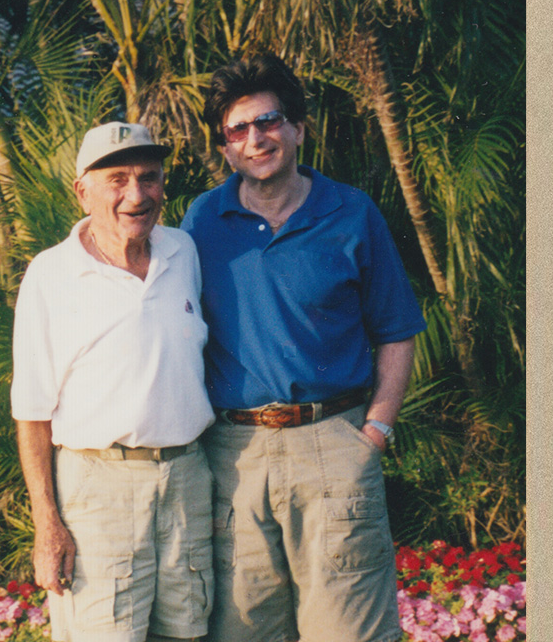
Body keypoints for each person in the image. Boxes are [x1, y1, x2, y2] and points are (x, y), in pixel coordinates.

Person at [180, 55, 425, 642]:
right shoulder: (202, 221)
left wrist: (374, 435)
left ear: (297, 129)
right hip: (234, 456)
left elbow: (396, 331)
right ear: (224, 148)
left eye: (268, 122)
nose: (255, 139)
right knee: (242, 631)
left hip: (333, 443)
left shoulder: (352, 213)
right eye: (237, 130)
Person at [11, 122, 216, 641]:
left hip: (187, 480)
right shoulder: (50, 274)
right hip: (98, 492)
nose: (136, 195)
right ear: (82, 191)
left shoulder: (183, 253)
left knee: (189, 631)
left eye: (149, 178)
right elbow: (32, 413)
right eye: (117, 179)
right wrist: (47, 525)